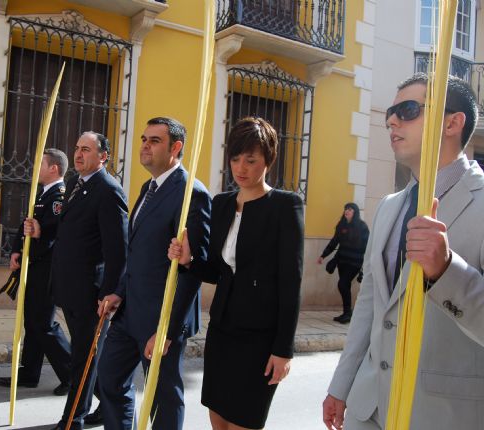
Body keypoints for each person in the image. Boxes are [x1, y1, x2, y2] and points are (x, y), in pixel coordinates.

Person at [323, 73, 484, 430]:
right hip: (369, 409)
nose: (392, 120)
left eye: (408, 109)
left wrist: (446, 272)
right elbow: (369, 303)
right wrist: (341, 385)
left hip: (442, 415)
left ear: (453, 122)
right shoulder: (389, 207)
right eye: (390, 113)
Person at [169, 117, 304, 430]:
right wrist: (189, 261)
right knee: (218, 419)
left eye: (251, 160)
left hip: (260, 339)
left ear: (268, 160)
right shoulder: (222, 204)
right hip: (223, 332)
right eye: (235, 159)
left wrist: (283, 350)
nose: (241, 168)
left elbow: (291, 281)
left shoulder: (285, 206)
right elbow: (218, 271)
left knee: (244, 422)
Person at [97, 117, 211, 430]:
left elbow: (193, 269)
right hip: (129, 312)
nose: (145, 145)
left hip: (161, 318)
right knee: (108, 379)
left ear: (176, 147)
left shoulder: (191, 193)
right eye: (144, 139)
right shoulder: (149, 188)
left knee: (164, 396)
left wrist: (168, 331)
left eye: (155, 140)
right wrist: (119, 291)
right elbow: (136, 253)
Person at [25, 132, 128, 430]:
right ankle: (105, 407)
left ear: (103, 156)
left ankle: (73, 419)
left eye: (86, 149)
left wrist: (110, 292)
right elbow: (66, 231)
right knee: (87, 356)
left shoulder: (109, 191)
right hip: (68, 286)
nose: (79, 154)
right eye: (77, 149)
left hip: (91, 292)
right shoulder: (74, 184)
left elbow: (117, 250)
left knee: (84, 358)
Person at [0, 148, 71, 395]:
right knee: (32, 321)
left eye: (41, 164)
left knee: (44, 324)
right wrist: (17, 249)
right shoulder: (42, 193)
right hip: (34, 264)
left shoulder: (60, 195)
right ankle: (29, 373)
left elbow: (58, 228)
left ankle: (72, 375)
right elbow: (27, 223)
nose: (34, 169)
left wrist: (41, 232)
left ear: (54, 169)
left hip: (47, 268)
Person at [317, 202, 370, 324]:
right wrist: (323, 255)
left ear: (355, 212)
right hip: (342, 261)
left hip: (355, 262)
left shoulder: (362, 227)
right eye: (346, 209)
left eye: (350, 209)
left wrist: (366, 263)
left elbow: (368, 245)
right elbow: (334, 242)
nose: (347, 211)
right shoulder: (341, 225)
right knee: (345, 285)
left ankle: (348, 313)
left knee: (342, 284)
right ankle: (346, 313)